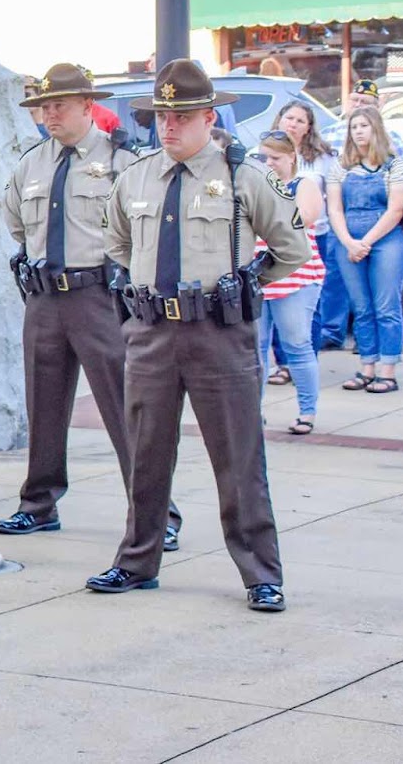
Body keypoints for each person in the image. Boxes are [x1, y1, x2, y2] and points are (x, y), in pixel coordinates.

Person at [88, 59, 308, 613]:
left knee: (238, 456)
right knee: (145, 454)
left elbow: (292, 248)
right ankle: (137, 560)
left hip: (218, 332)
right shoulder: (136, 176)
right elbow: (116, 243)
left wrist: (247, 283)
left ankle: (261, 572)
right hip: (152, 332)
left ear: (210, 118)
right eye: (163, 116)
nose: (170, 126)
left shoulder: (244, 176)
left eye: (182, 116)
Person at [0, 65, 181, 548]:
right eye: (44, 106)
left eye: (59, 105)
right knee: (43, 405)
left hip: (99, 295)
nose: (49, 114)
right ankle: (39, 503)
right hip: (43, 296)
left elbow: (145, 229)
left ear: (87, 105)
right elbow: (16, 223)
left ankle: (156, 514)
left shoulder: (123, 160)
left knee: (126, 407)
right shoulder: (32, 162)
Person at [326, 107, 403, 395]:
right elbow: (335, 208)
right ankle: (367, 367)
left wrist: (367, 242)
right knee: (361, 307)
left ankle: (388, 370)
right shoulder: (340, 166)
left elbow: (396, 210)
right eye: (354, 127)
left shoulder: (394, 165)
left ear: (376, 128)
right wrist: (349, 241)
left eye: (364, 126)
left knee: (386, 306)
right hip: (348, 239)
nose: (358, 131)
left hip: (386, 240)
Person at [254, 131, 326, 433]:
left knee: (296, 344)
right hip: (258, 277)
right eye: (264, 157)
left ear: (291, 158)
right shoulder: (254, 184)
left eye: (276, 157)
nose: (269, 163)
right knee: (255, 348)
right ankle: (253, 412)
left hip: (296, 276)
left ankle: (307, 412)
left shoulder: (303, 184)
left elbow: (303, 218)